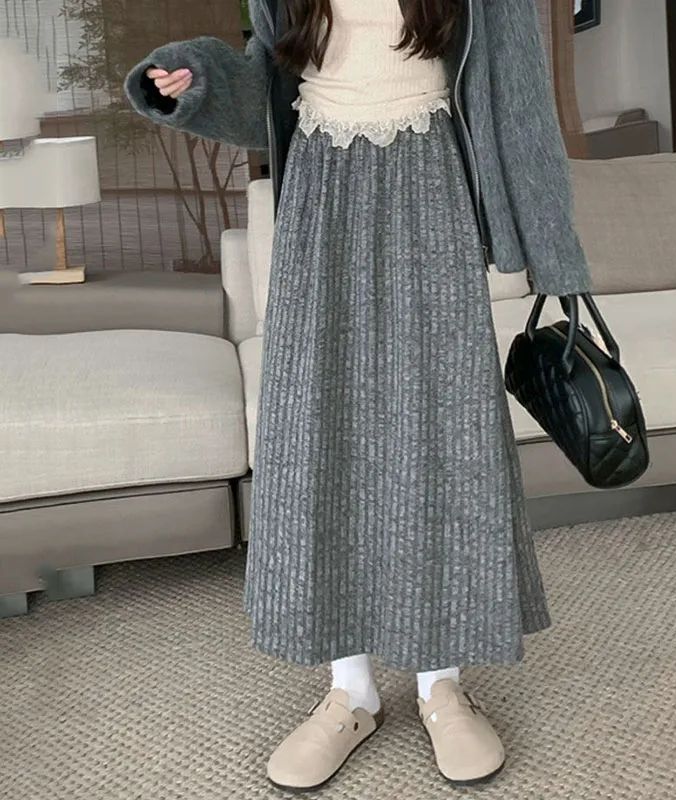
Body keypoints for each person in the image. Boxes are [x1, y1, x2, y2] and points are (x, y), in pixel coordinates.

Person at [124, 0, 593, 791]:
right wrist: (193, 79)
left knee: (441, 434)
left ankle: (441, 683)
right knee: (323, 434)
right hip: (319, 190)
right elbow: (267, 84)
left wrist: (556, 255)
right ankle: (351, 692)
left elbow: (517, 100)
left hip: (430, 185)